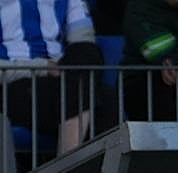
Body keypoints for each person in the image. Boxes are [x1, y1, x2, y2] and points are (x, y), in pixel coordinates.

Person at [0, 0, 116, 160]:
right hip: (11, 84)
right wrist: (42, 67)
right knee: (103, 101)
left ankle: (66, 168)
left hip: (64, 80)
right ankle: (68, 170)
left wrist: (63, 69)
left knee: (88, 54)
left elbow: (84, 46)